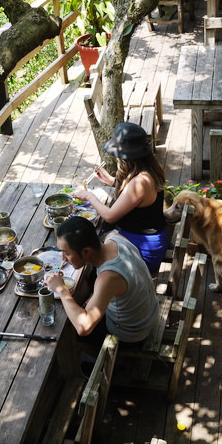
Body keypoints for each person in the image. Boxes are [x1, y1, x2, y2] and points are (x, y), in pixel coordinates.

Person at [44, 216, 158, 357]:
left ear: (86, 251)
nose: (63, 258)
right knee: (89, 277)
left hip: (133, 332)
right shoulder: (114, 237)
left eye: (67, 253)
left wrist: (61, 289)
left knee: (69, 331)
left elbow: (83, 327)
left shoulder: (108, 278)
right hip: (148, 312)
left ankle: (104, 361)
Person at [72, 122, 168, 274]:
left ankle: (95, 286)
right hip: (146, 237)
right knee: (101, 240)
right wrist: (112, 180)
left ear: (125, 158)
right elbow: (135, 197)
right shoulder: (149, 169)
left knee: (92, 250)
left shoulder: (140, 182)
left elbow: (110, 216)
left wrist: (88, 196)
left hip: (144, 250)